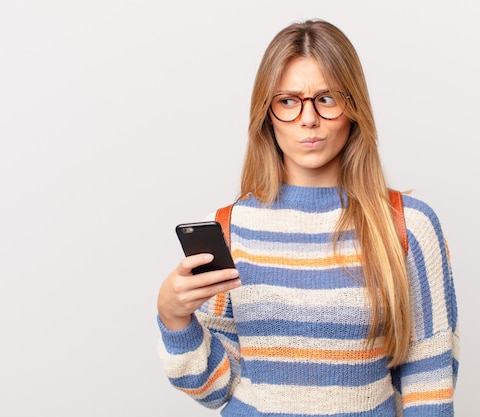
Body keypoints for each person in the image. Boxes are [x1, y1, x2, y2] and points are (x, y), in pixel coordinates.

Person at [157, 19, 459, 417]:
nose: (308, 119)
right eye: (288, 101)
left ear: (353, 108)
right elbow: (216, 389)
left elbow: (429, 383)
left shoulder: (407, 226)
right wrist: (173, 316)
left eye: (327, 98)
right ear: (267, 113)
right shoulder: (230, 229)